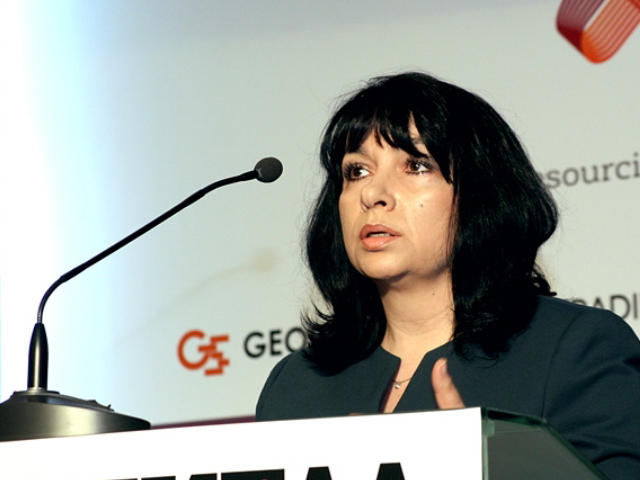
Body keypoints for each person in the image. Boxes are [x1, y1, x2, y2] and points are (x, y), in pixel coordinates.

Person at [255, 72, 640, 480]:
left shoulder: (575, 350)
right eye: (357, 171)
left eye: (416, 165)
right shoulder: (297, 384)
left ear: (482, 194)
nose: (372, 194)